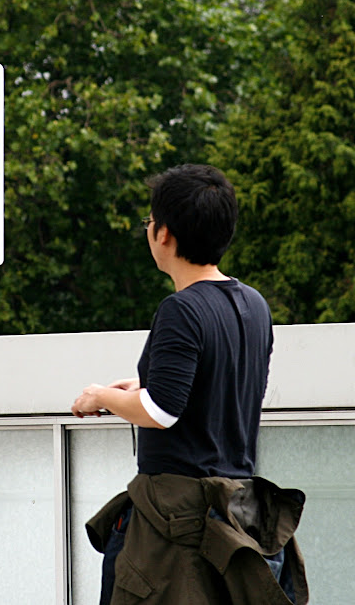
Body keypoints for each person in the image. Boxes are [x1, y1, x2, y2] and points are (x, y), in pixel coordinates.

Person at [71, 165, 308, 605]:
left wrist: (100, 396)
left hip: (176, 527)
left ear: (164, 234)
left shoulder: (181, 309)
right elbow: (225, 385)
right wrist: (144, 386)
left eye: (150, 221)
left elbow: (162, 413)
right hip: (237, 509)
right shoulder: (253, 303)